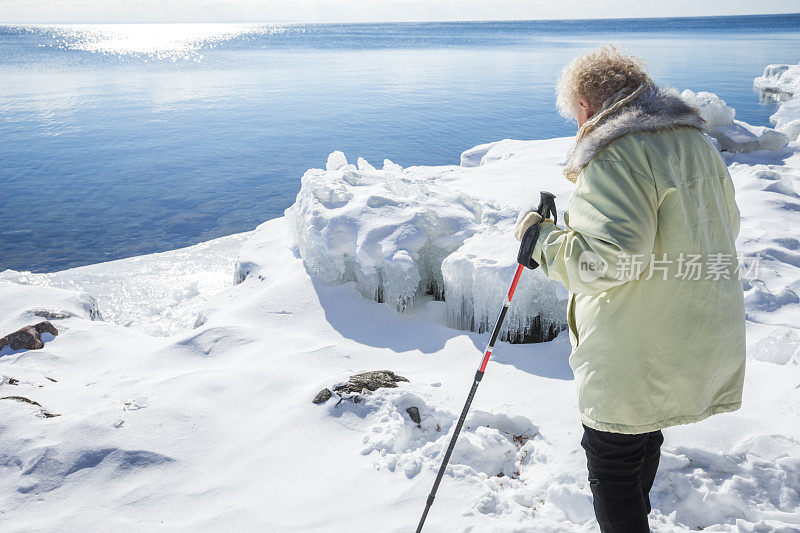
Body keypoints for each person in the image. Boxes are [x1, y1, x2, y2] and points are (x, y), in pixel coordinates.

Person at [515, 46, 746, 532]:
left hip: (634, 346)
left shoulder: (616, 153)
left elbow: (608, 261)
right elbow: (726, 226)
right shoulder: (695, 142)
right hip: (692, 329)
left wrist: (541, 240)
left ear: (585, 108)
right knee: (642, 436)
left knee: (612, 458)